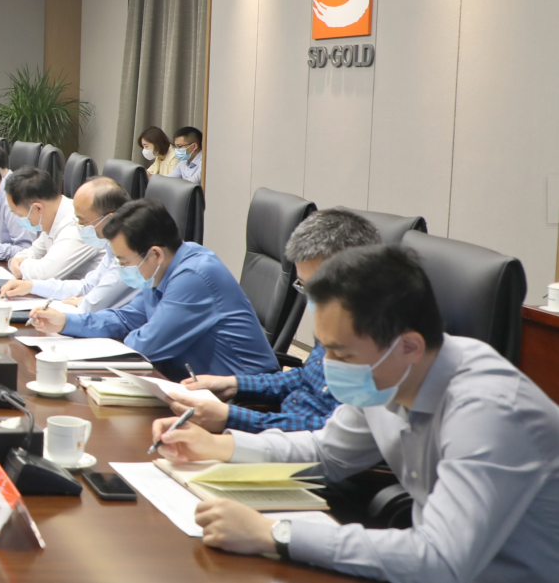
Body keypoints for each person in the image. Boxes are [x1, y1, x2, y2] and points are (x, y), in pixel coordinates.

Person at [156, 245, 559, 582]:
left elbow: (439, 559)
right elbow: (327, 453)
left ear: (410, 347)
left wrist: (276, 533)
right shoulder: (390, 374)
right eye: (324, 348)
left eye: (342, 354)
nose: (329, 367)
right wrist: (219, 446)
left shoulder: (489, 412)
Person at [173, 209, 381, 434]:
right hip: (280, 432)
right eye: (304, 285)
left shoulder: (380, 344)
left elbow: (334, 435)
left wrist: (232, 418)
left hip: (298, 444)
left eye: (318, 287)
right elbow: (308, 376)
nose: (312, 299)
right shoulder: (334, 318)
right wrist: (233, 384)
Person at [30, 199, 277, 380]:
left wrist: (119, 337)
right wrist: (66, 322)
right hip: (187, 383)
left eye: (123, 262)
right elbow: (126, 319)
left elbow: (146, 344)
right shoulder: (161, 269)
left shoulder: (193, 276)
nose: (121, 268)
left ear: (155, 254)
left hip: (242, 396)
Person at [0, 177, 136, 313]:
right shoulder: (111, 247)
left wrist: (83, 301)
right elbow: (86, 286)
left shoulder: (131, 253)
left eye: (83, 221)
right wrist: (31, 286)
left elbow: (93, 304)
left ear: (109, 219)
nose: (78, 226)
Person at [0, 165, 102, 283]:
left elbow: (45, 274)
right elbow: (34, 251)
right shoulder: (51, 219)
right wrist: (16, 260)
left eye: (20, 215)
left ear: (38, 208)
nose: (20, 220)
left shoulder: (78, 224)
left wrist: (21, 266)